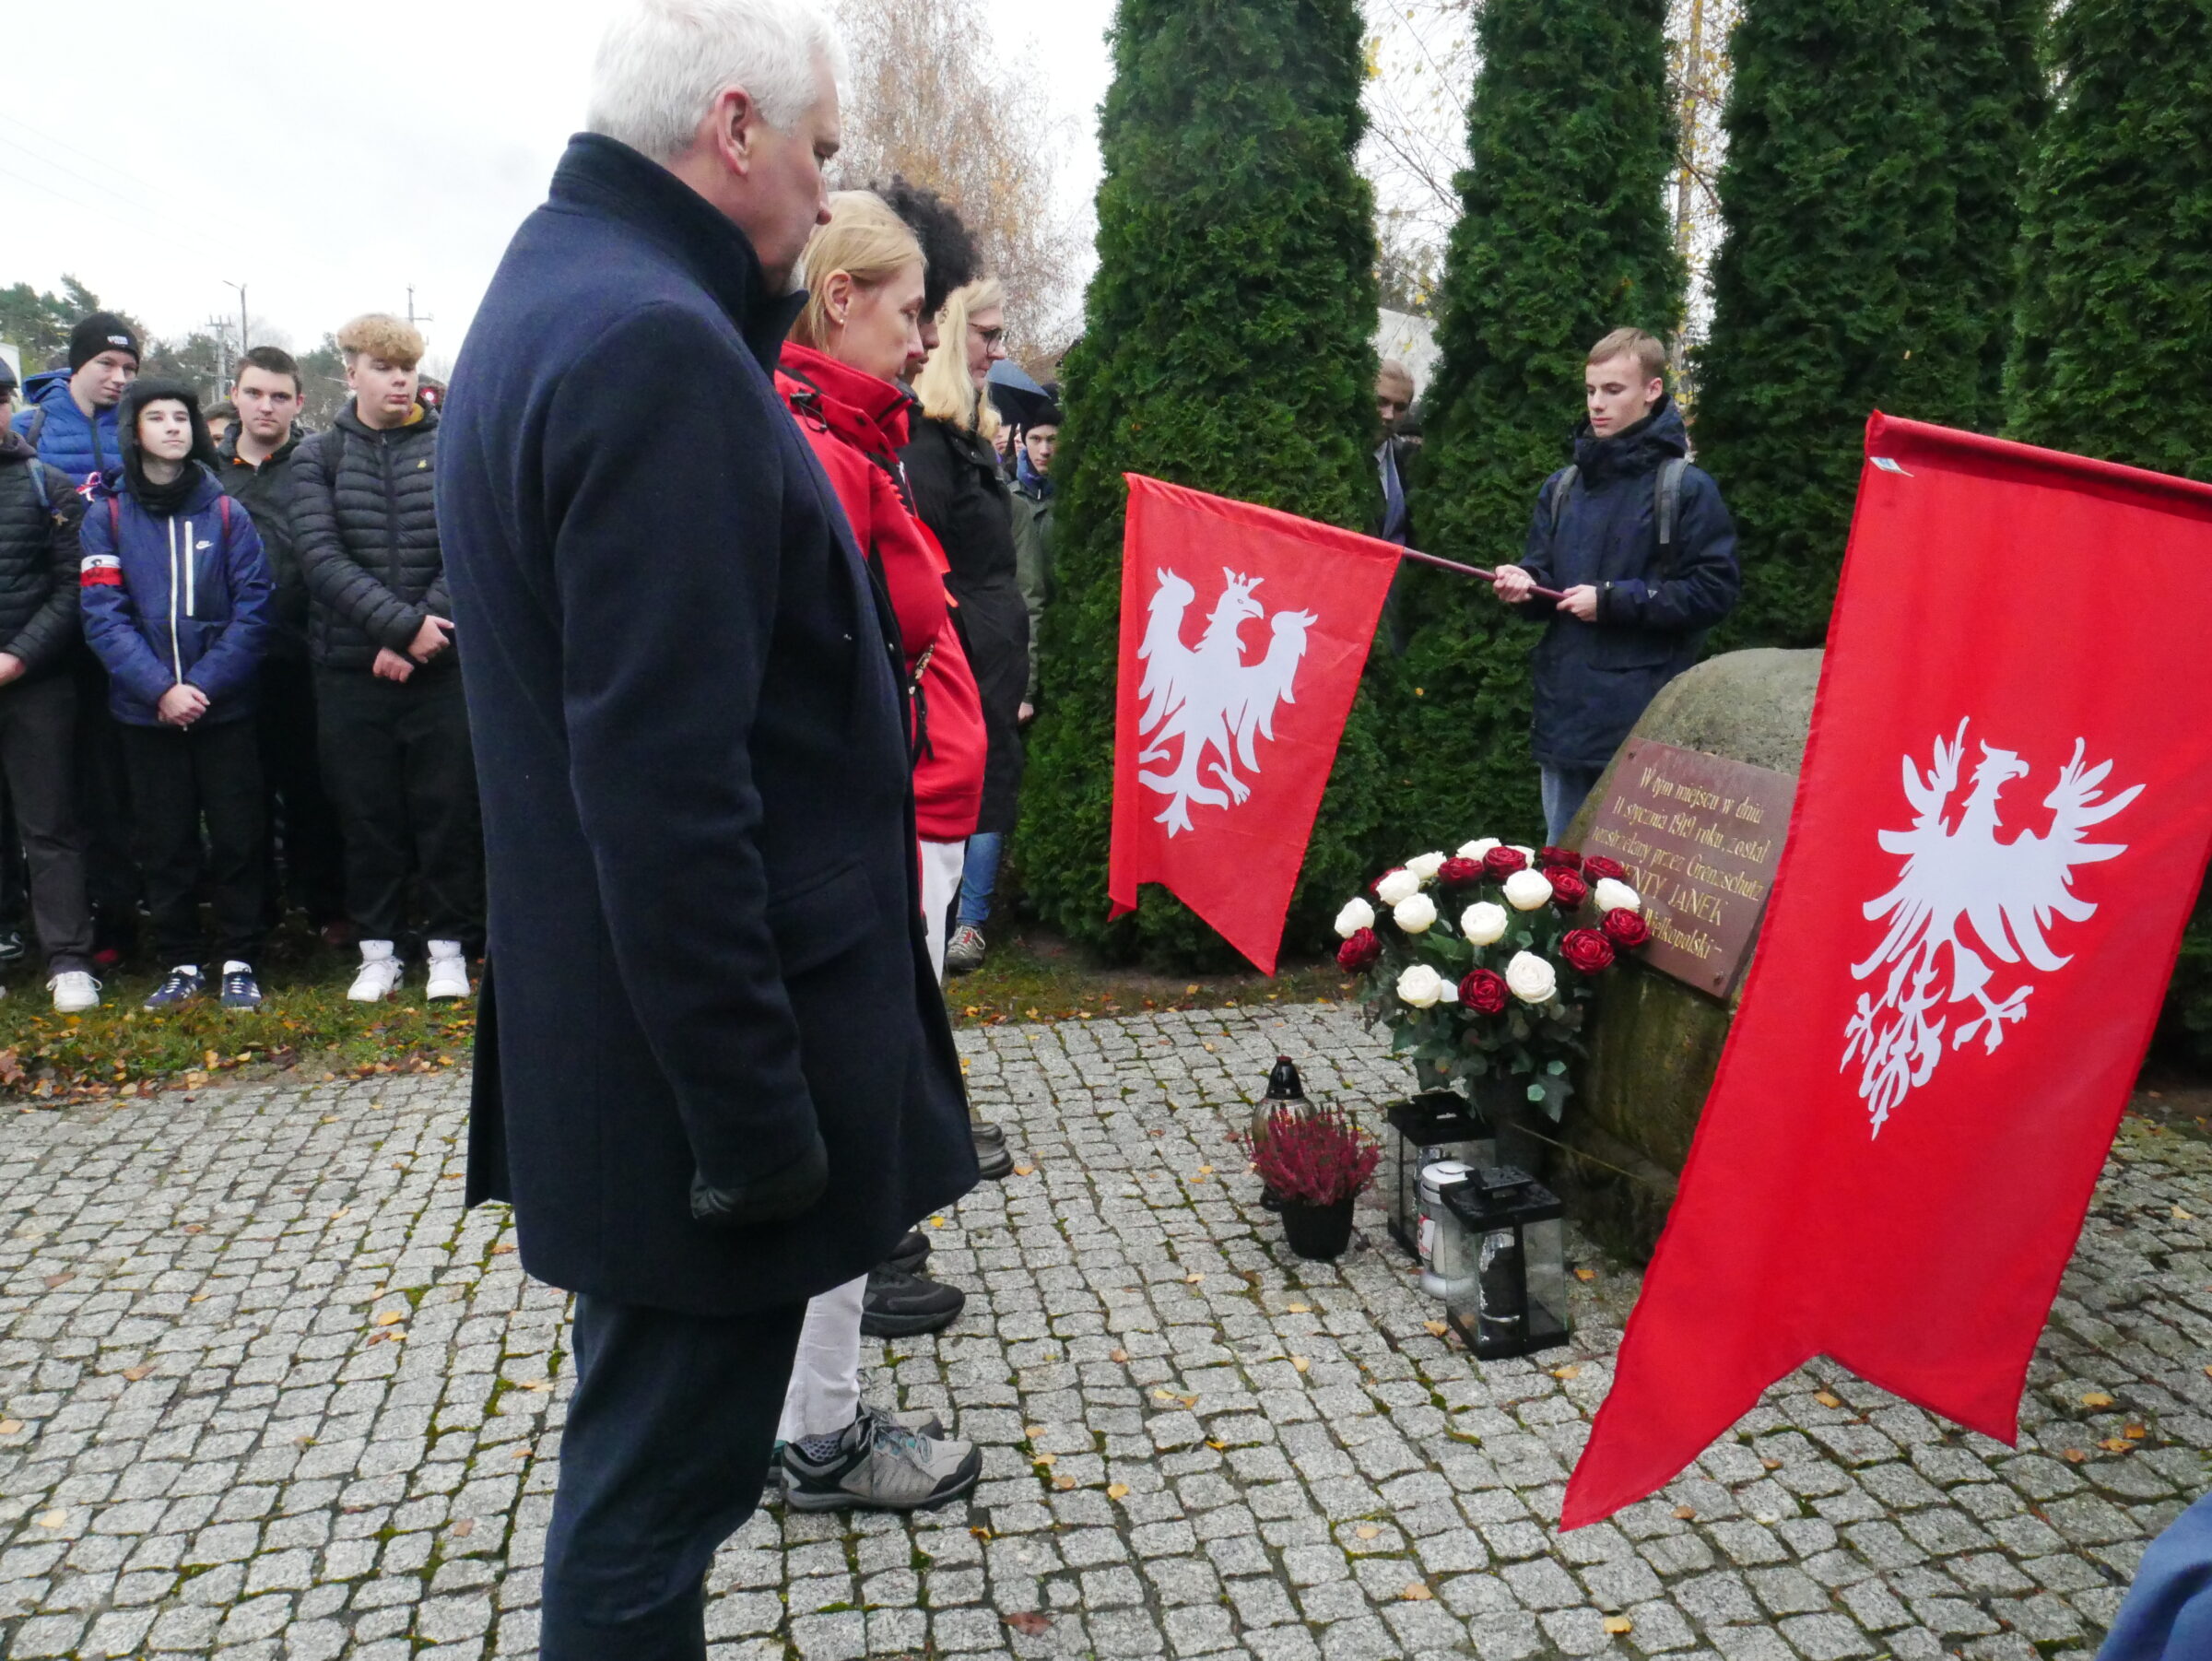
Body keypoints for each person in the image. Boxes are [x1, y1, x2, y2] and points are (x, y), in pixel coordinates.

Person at [438, 0, 976, 1650]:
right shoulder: (651, 345)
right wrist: (755, 1130)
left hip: (624, 1046)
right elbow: (668, 797)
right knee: (650, 1516)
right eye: (819, 152)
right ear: (734, 128)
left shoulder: (561, 290)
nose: (828, 195)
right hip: (691, 1091)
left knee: (646, 1486)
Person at [771, 190, 985, 1509]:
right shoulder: (809, 446)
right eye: (910, 313)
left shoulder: (856, 434)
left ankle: (808, 1410)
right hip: (876, 837)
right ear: (838, 297)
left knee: (862, 1138)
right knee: (849, 1146)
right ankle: (818, 1432)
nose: (922, 340)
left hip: (912, 818)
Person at [288, 313, 482, 1003]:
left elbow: (471, 543)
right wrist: (400, 628)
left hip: (441, 666)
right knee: (366, 816)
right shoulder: (317, 457)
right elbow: (318, 555)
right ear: (351, 372)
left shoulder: (453, 445)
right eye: (383, 367)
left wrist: (422, 635)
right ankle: (379, 949)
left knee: (447, 811)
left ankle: (449, 946)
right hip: (350, 670)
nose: (399, 380)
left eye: (407, 367)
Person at [1493, 327, 1740, 842]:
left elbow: (1713, 591)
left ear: (1652, 390)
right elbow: (1544, 577)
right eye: (1590, 390)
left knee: (1634, 881)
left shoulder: (1686, 488)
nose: (1597, 404)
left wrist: (1611, 601)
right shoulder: (1561, 487)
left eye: (1612, 390)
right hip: (1565, 719)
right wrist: (1525, 585)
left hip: (1646, 726)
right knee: (1561, 871)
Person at [78, 382, 273, 1011]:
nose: (172, 427)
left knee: (239, 835)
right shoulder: (106, 515)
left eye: (181, 417)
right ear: (134, 432)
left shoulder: (227, 513)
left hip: (224, 710)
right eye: (156, 417)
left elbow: (254, 608)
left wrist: (202, 686)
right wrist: (161, 689)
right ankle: (181, 959)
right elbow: (103, 614)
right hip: (146, 714)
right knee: (165, 841)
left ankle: (241, 957)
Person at [908, 279, 1027, 980]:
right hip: (958, 694)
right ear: (953, 332)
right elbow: (925, 579)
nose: (999, 350)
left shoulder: (962, 438)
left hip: (985, 684)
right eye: (987, 334)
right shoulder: (926, 445)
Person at [218, 346, 349, 945]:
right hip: (229, 659)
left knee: (312, 787)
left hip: (305, 652)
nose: (265, 406)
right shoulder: (207, 473)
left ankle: (324, 904)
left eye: (278, 396)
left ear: (299, 402)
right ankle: (255, 910)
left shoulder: (317, 464)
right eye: (253, 393)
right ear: (235, 396)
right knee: (239, 793)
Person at [0, 366, 100, 1012]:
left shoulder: (47, 483)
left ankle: (68, 959)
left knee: (51, 824)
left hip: (36, 683)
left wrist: (18, 656)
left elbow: (72, 588)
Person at [10, 312, 140, 489]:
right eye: (106, 364)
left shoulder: (144, 431)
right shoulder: (21, 430)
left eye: (129, 368)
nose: (120, 378)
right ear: (78, 365)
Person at [1010, 407, 1056, 724]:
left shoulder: (1076, 498)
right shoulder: (1007, 499)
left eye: (1053, 439)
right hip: (1019, 639)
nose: (1045, 450)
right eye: (1035, 439)